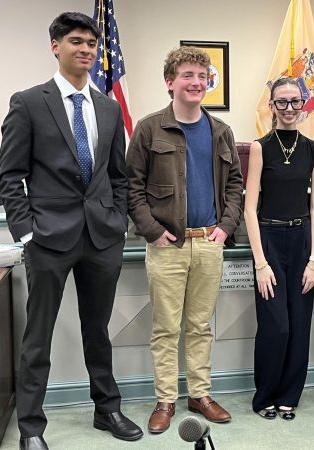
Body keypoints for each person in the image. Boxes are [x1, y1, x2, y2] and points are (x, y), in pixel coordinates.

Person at [0, 12, 143, 450]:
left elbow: (119, 174)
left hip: (102, 237)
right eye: (76, 41)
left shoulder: (109, 107)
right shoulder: (28, 103)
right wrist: (26, 233)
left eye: (92, 44)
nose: (86, 50)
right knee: (36, 337)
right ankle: (31, 429)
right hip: (48, 238)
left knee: (98, 330)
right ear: (55, 46)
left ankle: (107, 408)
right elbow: (10, 177)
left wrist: (117, 220)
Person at [126, 46, 243, 433]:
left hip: (208, 243)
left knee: (200, 325)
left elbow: (235, 187)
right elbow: (131, 187)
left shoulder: (220, 131)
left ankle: (200, 393)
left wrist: (225, 228)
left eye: (202, 76)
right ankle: (165, 399)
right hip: (167, 246)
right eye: (188, 75)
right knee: (166, 327)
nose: (196, 82)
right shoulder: (149, 128)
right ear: (170, 82)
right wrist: (153, 231)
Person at [244, 77, 314, 421]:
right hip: (270, 242)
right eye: (282, 102)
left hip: (303, 240)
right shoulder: (260, 147)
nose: (289, 109)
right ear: (272, 106)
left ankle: (290, 396)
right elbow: (249, 208)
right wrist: (260, 262)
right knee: (276, 326)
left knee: (299, 324)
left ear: (303, 104)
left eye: (295, 102)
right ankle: (265, 397)